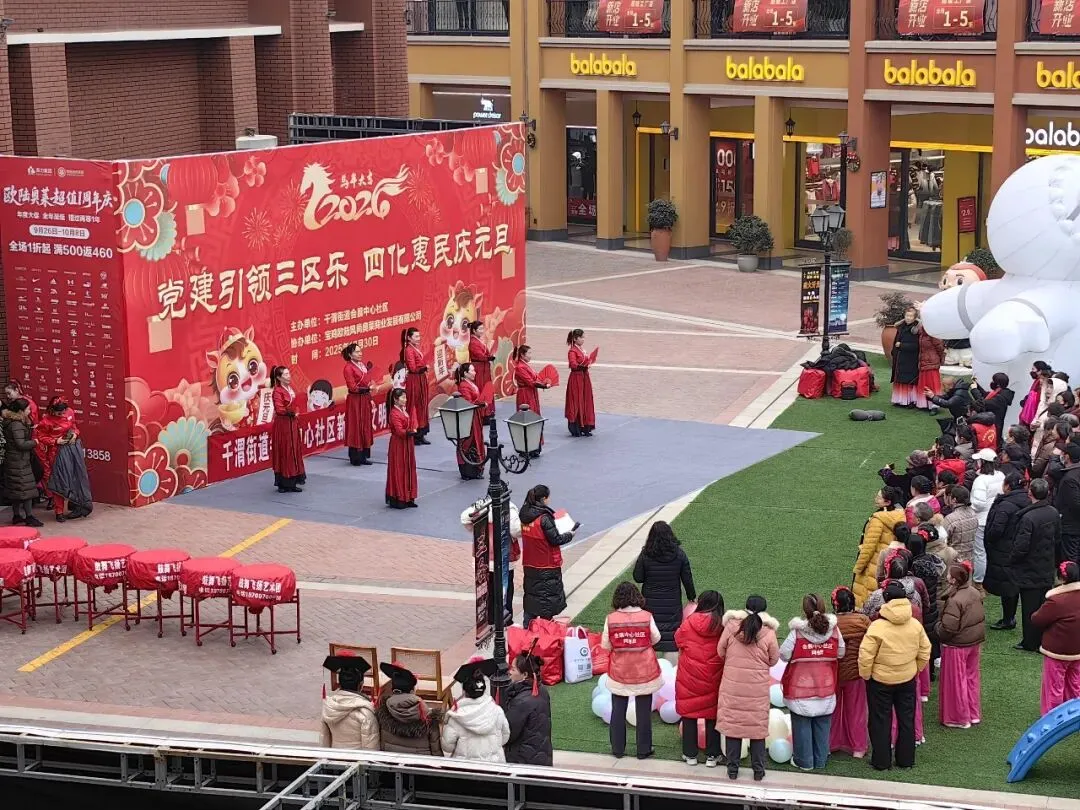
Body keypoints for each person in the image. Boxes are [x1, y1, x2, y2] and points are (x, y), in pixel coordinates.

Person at [859, 580, 931, 771]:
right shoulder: (915, 625)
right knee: (907, 719)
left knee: (880, 721)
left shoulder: (877, 627)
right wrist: (914, 669)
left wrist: (867, 675)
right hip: (906, 679)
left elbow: (865, 655)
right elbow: (925, 650)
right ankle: (906, 760)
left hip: (880, 681)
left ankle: (881, 761)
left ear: (886, 600)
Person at [716, 595, 780, 781]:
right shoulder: (768, 632)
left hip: (733, 686)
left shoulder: (731, 627)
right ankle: (758, 771)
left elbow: (720, 651)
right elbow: (774, 659)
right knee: (757, 730)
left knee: (733, 727)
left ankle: (732, 770)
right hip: (757, 689)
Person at [779, 594, 845, 771]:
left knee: (801, 726)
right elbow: (841, 652)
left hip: (800, 689)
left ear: (805, 610)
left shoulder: (797, 633)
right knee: (823, 725)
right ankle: (821, 760)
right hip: (826, 688)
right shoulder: (835, 631)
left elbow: (783, 654)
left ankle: (804, 762)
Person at [601, 582, 662, 760]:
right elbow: (656, 637)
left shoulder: (611, 618)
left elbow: (605, 644)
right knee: (644, 713)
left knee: (618, 711)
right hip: (645, 671)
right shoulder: (647, 616)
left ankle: (618, 749)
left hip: (620, 671)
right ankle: (643, 750)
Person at [674, 591, 725, 767]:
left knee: (689, 714)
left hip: (689, 676)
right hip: (714, 676)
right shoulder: (722, 625)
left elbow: (678, 639)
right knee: (712, 716)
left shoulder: (689, 622)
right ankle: (712, 755)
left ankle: (690, 755)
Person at [1011, 478, 1061, 653]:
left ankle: (1030, 642)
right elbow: (1058, 539)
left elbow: (1021, 546)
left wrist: (1013, 559)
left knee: (1030, 607)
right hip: (1046, 566)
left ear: (1030, 493)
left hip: (1029, 568)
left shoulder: (1028, 517)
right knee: (1043, 604)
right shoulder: (1053, 512)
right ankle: (1041, 639)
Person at [633, 521, 696, 658]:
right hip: (672, 603)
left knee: (651, 634)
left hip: (650, 602)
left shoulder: (646, 554)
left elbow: (638, 577)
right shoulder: (679, 554)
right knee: (671, 638)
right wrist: (691, 596)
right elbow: (687, 578)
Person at [935, 563, 985, 729]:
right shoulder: (974, 592)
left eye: (949, 574)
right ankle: (973, 714)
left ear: (954, 580)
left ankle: (958, 717)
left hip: (957, 645)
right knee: (971, 678)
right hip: (974, 643)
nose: (947, 576)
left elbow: (948, 628)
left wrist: (937, 629)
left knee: (955, 682)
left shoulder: (955, 600)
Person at [519, 484, 575, 627]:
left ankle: (527, 629)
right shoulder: (544, 518)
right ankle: (545, 632)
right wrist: (570, 534)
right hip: (547, 565)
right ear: (544, 499)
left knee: (531, 598)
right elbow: (555, 539)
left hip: (530, 563)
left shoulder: (524, 514)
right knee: (546, 602)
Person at [1032, 561, 1080, 714]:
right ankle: (1075, 716)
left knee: (1054, 687)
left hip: (1057, 651)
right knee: (1075, 685)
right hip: (1078, 650)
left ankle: (1053, 719)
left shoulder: (1056, 600)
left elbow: (1037, 619)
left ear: (1061, 578)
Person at [34, 396, 92, 522]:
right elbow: (41, 437)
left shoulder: (70, 412)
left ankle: (76, 505)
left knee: (75, 477)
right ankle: (59, 511)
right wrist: (55, 441)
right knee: (59, 481)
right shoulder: (46, 421)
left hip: (72, 449)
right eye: (59, 413)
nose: (61, 415)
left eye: (63, 412)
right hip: (56, 453)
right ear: (52, 410)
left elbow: (74, 426)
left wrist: (75, 434)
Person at [984, 472, 1029, 630]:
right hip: (1020, 546)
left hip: (1004, 549)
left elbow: (996, 529)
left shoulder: (1005, 505)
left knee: (1007, 586)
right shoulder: (1028, 500)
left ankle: (1008, 618)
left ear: (1008, 486)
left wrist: (990, 539)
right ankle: (1010, 617)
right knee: (1012, 584)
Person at [830, 587, 871, 759]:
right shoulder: (863, 621)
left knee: (832, 709)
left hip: (833, 673)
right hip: (856, 673)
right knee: (857, 711)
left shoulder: (830, 623)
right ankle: (858, 747)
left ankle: (831, 743)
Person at [441, 658, 509, 762]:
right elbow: (505, 737)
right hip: (494, 766)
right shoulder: (497, 711)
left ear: (465, 690)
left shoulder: (456, 716)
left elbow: (447, 747)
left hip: (466, 767)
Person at [852, 487, 906, 608]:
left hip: (873, 565)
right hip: (889, 562)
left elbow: (868, 547)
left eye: (879, 497)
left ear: (888, 502)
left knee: (865, 600)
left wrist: (858, 568)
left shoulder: (878, 520)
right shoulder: (901, 515)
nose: (875, 499)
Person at [375, 662, 443, 756]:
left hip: (390, 762)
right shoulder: (429, 718)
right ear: (412, 691)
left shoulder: (382, 712)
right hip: (420, 763)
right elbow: (436, 751)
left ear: (393, 690)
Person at [503, 651, 553, 765]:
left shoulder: (521, 701)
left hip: (523, 760)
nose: (509, 672)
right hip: (541, 755)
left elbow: (507, 734)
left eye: (513, 669)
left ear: (525, 674)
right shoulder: (542, 690)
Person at [320, 654, 380, 750]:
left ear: (340, 684)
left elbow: (324, 740)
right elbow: (370, 749)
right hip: (356, 758)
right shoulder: (365, 713)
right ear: (360, 685)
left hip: (335, 757)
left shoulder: (328, 707)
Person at [2, 399, 42, 527]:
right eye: (28, 409)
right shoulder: (17, 424)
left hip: (14, 460)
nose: (30, 411)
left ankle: (16, 516)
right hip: (19, 461)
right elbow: (21, 444)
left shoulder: (12, 421)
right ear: (21, 411)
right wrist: (35, 442)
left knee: (16, 490)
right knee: (26, 489)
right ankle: (29, 516)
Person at [268, 366, 306, 493]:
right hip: (283, 425)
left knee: (293, 449)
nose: (289, 376)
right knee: (285, 450)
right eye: (285, 374)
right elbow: (279, 409)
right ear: (279, 378)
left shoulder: (290, 389)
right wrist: (292, 412)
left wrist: (296, 412)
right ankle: (283, 482)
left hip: (292, 423)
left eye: (289, 373)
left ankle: (292, 480)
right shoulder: (277, 391)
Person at [970, 448, 1005, 586]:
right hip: (996, 517)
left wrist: (970, 508)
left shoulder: (980, 480)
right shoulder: (1001, 475)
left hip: (982, 520)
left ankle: (978, 580)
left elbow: (978, 503)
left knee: (980, 552)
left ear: (983, 462)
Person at [385, 388, 418, 509]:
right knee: (399, 469)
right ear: (395, 399)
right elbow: (399, 431)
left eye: (405, 397)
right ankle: (399, 497)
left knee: (409, 468)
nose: (405, 400)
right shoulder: (394, 413)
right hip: (398, 444)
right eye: (403, 398)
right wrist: (409, 432)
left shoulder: (403, 410)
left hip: (407, 443)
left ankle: (409, 497)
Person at [512, 345, 548, 457]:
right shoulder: (520, 367)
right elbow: (530, 382)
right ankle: (527, 447)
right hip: (525, 395)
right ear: (522, 355)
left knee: (533, 417)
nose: (530, 356)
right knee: (527, 419)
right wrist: (543, 385)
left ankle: (534, 446)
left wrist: (543, 382)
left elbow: (535, 378)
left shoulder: (525, 365)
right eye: (529, 353)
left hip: (531, 393)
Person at [453, 363, 487, 480]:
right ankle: (467, 471)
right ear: (465, 373)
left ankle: (476, 469)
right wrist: (480, 402)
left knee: (475, 440)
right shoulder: (463, 386)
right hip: (468, 417)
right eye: (472, 371)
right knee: (468, 441)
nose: (474, 372)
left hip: (474, 415)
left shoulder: (470, 384)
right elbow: (468, 402)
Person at [342, 343, 374, 466]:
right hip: (355, 400)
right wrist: (367, 389)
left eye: (360, 351)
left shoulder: (362, 365)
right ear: (350, 355)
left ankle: (364, 455)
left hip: (364, 398)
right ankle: (355, 457)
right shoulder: (348, 368)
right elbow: (352, 387)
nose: (360, 354)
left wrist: (370, 389)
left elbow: (367, 381)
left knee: (365, 425)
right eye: (356, 352)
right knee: (356, 426)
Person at [401, 327, 431, 445]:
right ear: (409, 338)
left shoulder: (415, 348)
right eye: (416, 336)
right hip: (414, 380)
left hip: (420, 378)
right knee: (414, 405)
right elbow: (413, 368)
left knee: (422, 405)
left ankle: (421, 433)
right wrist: (424, 368)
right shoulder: (408, 350)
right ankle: (414, 433)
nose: (418, 339)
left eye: (419, 336)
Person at [565, 328, 596, 437]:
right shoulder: (572, 351)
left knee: (585, 400)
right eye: (581, 337)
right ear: (575, 339)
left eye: (583, 337)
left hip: (584, 377)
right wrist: (584, 366)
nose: (583, 339)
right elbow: (573, 364)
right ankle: (576, 427)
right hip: (576, 378)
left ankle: (586, 426)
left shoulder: (582, 350)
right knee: (577, 401)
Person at [1052, 443, 1080, 565]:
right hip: (1073, 526)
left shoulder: (1070, 479)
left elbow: (1076, 504)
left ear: (1067, 456)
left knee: (1069, 561)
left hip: (1070, 527)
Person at [969, 372, 1014, 445]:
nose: (991, 382)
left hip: (994, 428)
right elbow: (985, 395)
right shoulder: (999, 392)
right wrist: (976, 385)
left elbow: (983, 403)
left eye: (993, 381)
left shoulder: (1001, 398)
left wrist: (974, 389)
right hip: (992, 426)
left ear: (998, 384)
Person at [890, 305, 921, 407]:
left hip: (910, 359)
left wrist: (902, 345)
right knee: (900, 381)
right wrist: (894, 352)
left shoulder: (916, 330)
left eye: (911, 316)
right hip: (900, 358)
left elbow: (917, 346)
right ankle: (900, 400)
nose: (908, 318)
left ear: (915, 317)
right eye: (907, 315)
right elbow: (896, 341)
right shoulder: (901, 327)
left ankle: (911, 401)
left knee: (910, 382)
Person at [467, 320, 496, 423]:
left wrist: (489, 357)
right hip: (479, 368)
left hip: (484, 367)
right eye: (480, 329)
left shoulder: (478, 340)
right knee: (481, 388)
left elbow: (484, 354)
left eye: (483, 328)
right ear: (474, 331)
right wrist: (488, 358)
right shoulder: (473, 342)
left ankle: (488, 411)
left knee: (486, 387)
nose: (482, 331)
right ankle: (483, 414)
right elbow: (479, 355)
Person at [941, 486, 977, 563]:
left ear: (954, 500)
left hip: (955, 560)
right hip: (970, 559)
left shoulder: (950, 518)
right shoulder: (973, 514)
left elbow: (942, 539)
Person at [1020, 361, 1053, 428]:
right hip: (1029, 414)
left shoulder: (1042, 385)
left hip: (1032, 416)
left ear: (1040, 371)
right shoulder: (1037, 381)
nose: (1032, 371)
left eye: (1033, 369)